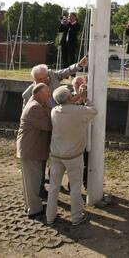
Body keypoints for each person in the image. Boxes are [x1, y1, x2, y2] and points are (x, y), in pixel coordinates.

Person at [46, 86, 97, 226]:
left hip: (56, 154)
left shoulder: (54, 111)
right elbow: (94, 111)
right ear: (69, 98)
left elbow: (68, 108)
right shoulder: (78, 111)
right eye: (71, 93)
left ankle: (50, 217)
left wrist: (75, 98)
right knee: (75, 187)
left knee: (54, 187)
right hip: (73, 156)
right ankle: (76, 217)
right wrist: (84, 98)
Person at [17, 83, 52, 218]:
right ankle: (34, 209)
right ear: (38, 94)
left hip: (31, 149)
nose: (49, 95)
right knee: (33, 182)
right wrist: (50, 110)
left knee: (31, 181)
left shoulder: (35, 105)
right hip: (31, 150)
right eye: (47, 93)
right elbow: (48, 126)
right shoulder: (34, 108)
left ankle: (31, 206)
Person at [22, 56, 88, 107]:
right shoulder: (28, 94)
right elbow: (26, 114)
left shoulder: (52, 75)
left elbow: (66, 72)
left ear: (48, 74)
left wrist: (79, 65)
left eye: (45, 78)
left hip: (62, 110)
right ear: (34, 79)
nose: (43, 81)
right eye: (39, 80)